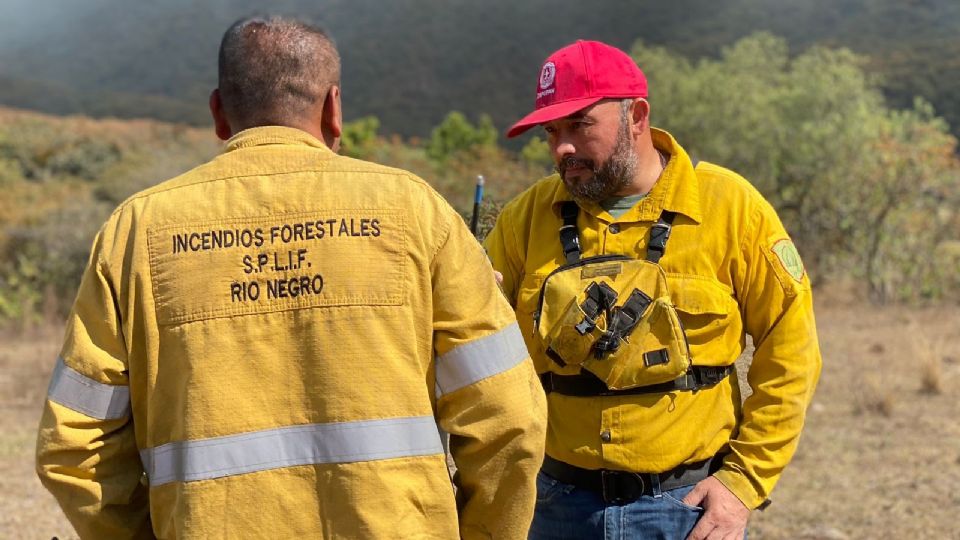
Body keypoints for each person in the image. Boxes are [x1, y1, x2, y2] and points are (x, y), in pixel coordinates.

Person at [36, 16, 547, 539]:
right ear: (333, 109)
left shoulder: (136, 232)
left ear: (219, 112)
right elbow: (509, 418)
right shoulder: (415, 212)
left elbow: (74, 446)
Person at [484, 40, 822, 539]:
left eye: (579, 125)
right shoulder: (524, 219)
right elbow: (470, 345)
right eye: (551, 132)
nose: (562, 148)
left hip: (687, 510)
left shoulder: (732, 208)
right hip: (554, 507)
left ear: (636, 116)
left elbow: (792, 353)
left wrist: (743, 481)